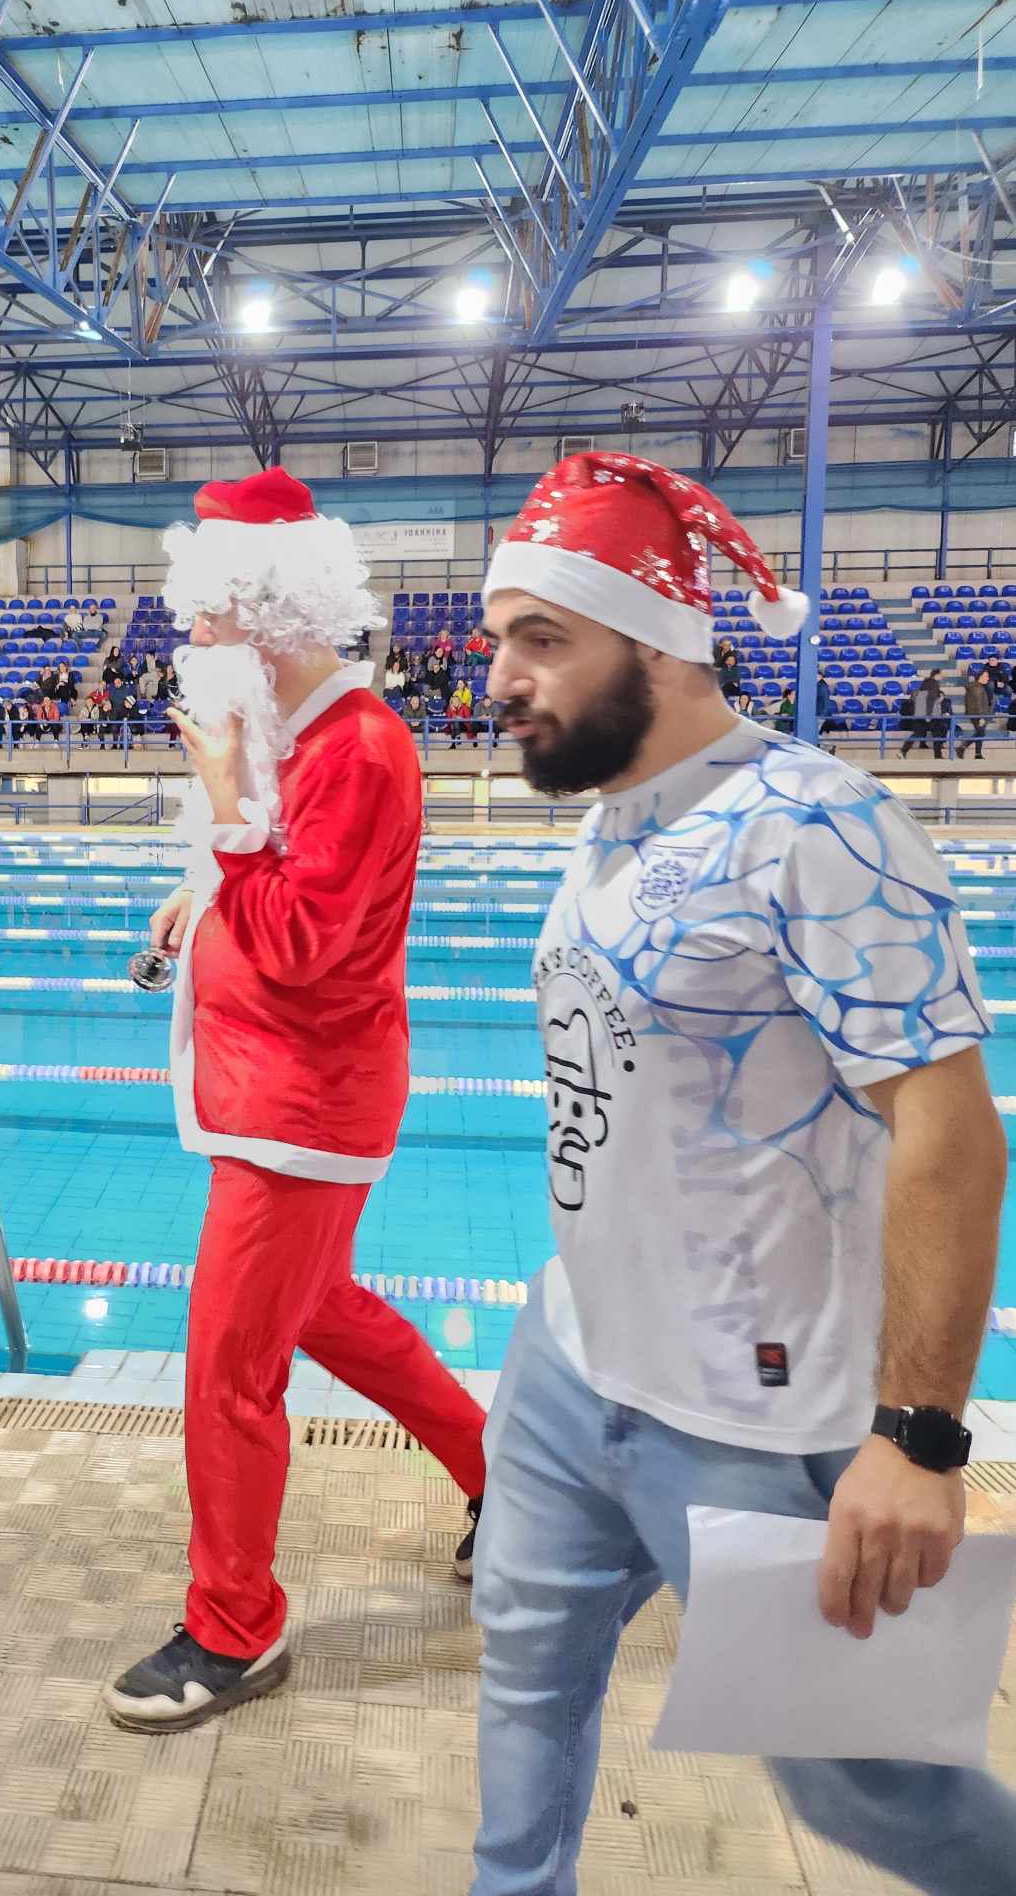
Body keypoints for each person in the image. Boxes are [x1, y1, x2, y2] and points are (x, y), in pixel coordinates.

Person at [471, 447, 1015, 1895]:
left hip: (752, 1423)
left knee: (876, 1793)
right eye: (499, 638)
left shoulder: (818, 823)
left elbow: (952, 1134)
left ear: (660, 644)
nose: (501, 679)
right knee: (524, 1690)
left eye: (542, 638)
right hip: (571, 1365)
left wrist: (918, 1438)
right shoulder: (614, 808)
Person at [102, 467, 488, 1733]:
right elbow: (274, 885)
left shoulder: (357, 748)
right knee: (328, 1312)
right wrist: (204, 881)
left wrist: (224, 813)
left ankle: (236, 1625)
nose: (191, 633)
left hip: (304, 1111)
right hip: (276, 1094)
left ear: (268, 614)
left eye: (208, 614)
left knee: (229, 1364)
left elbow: (302, 943)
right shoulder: (298, 733)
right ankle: (507, 1477)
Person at [900, 673, 950, 759]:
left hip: (921, 718)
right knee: (936, 735)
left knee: (918, 734)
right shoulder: (931, 694)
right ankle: (937, 755)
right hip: (930, 718)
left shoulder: (919, 694)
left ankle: (903, 751)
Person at [959, 668, 992, 759]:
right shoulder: (977, 688)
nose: (988, 678)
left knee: (980, 733)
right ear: (980, 677)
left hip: (976, 714)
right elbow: (978, 703)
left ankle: (977, 754)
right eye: (986, 676)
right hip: (978, 714)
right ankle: (963, 747)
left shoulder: (978, 687)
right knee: (980, 733)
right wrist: (981, 717)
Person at [446, 674, 474, 746]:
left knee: (455, 720)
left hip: (465, 710)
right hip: (457, 710)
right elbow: (451, 701)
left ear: (464, 684)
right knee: (453, 720)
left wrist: (455, 701)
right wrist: (452, 705)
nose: (459, 685)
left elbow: (463, 701)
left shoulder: (467, 691)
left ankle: (454, 741)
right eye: (458, 683)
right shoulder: (456, 692)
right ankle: (457, 739)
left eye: (461, 683)